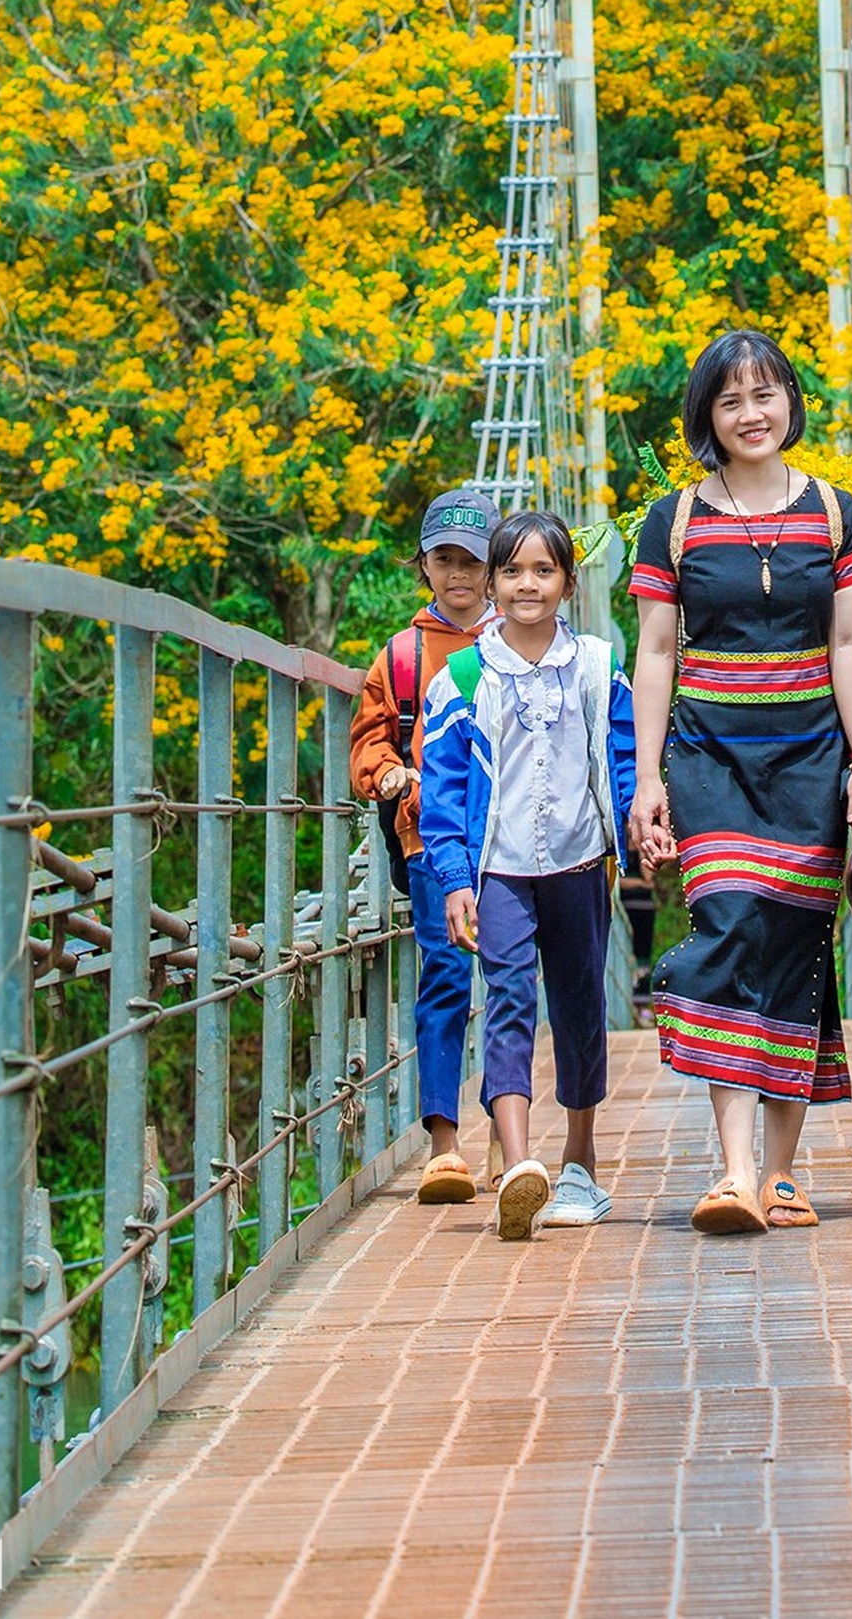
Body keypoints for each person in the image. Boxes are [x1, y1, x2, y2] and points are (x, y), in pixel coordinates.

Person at [628, 327, 852, 1235]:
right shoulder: (672, 520)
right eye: (731, 399)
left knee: (794, 939)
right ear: (707, 414)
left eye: (766, 392)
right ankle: (734, 1172)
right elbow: (657, 649)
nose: (752, 413)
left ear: (790, 400)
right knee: (734, 918)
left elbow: (849, 645)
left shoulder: (835, 511)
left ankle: (781, 1174)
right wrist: (646, 777)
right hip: (709, 756)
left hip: (813, 755)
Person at [419, 509, 635, 1241]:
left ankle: (580, 1156)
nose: (526, 584)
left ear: (569, 582)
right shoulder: (463, 676)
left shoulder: (601, 666)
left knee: (579, 1006)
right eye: (510, 570)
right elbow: (441, 790)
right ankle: (518, 1165)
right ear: (491, 581)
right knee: (506, 998)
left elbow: (624, 762)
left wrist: (640, 824)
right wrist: (452, 878)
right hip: (498, 868)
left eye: (543, 570)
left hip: (578, 861)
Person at [348, 484, 500, 1203]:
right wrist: (385, 773)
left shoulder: (525, 633)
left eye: (473, 559)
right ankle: (444, 1143)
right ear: (424, 567)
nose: (460, 573)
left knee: (510, 982)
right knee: (443, 975)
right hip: (430, 837)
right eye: (445, 559)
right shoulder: (403, 652)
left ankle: (509, 1136)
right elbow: (367, 738)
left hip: (512, 838)